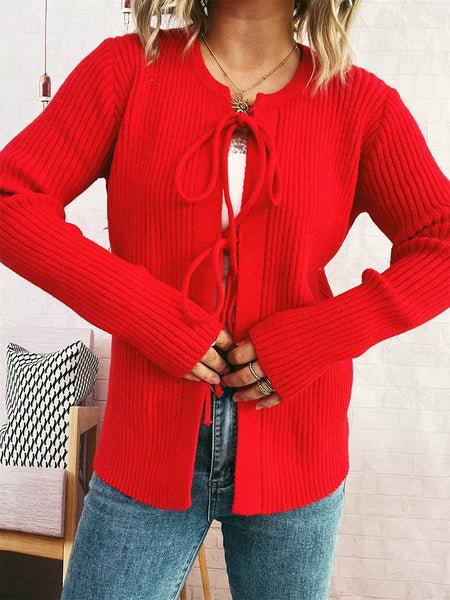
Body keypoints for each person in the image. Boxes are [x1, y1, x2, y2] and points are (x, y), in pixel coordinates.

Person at [0, 1, 449, 599]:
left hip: (297, 452)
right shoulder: (127, 71)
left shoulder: (361, 104)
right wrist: (149, 315)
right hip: (145, 444)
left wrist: (317, 337)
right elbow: (11, 200)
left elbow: (440, 243)